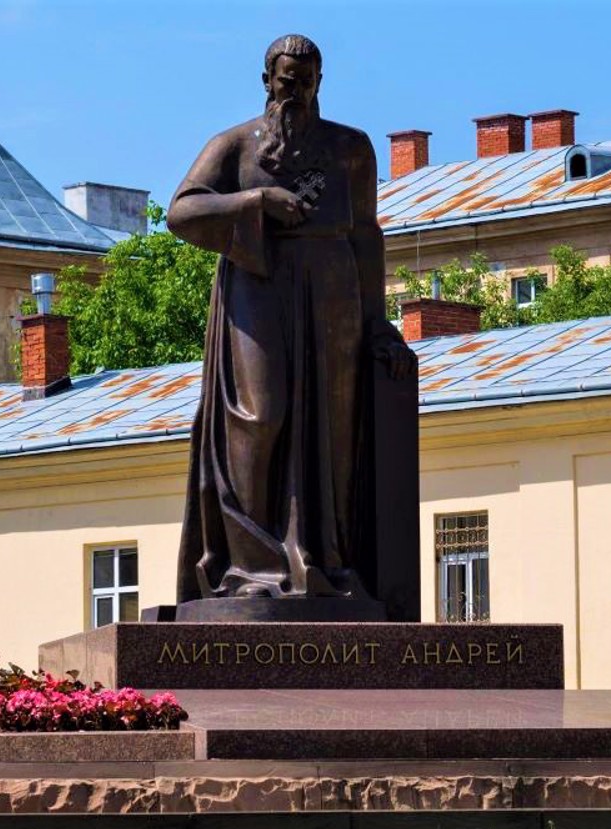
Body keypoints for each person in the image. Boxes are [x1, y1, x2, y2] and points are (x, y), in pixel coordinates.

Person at [168, 34, 415, 608]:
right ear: (266, 81)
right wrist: (256, 203)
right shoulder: (233, 146)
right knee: (261, 413)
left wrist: (378, 322)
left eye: (306, 81)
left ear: (320, 83)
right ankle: (251, 565)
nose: (296, 91)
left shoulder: (350, 148)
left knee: (332, 424)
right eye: (286, 81)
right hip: (257, 283)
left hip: (332, 287)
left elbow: (366, 237)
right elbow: (182, 211)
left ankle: (325, 557)